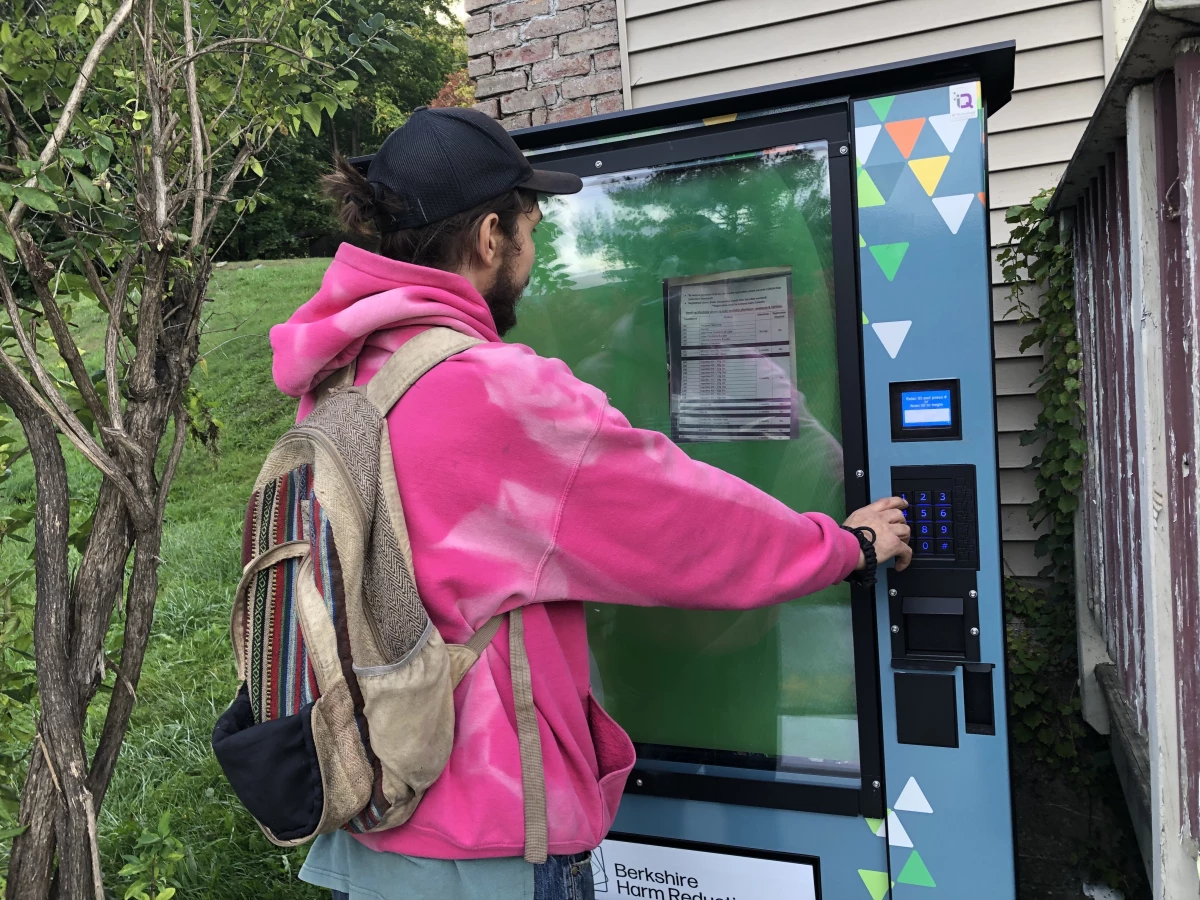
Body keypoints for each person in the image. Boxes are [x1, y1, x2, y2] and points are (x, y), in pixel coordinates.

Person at [270, 107, 911, 900]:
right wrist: (845, 544)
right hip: (485, 848)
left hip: (366, 812)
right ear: (490, 237)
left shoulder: (342, 377)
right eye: (531, 231)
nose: (534, 257)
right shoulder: (500, 394)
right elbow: (688, 524)